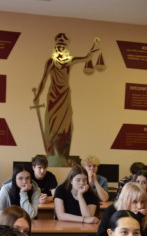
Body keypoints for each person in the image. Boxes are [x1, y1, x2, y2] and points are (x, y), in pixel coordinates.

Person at [32, 33, 100, 165]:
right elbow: (43, 80)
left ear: (66, 49)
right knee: (52, 124)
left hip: (64, 96)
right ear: (56, 48)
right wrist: (37, 96)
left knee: (66, 125)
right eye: (59, 46)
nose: (61, 48)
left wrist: (92, 50)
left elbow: (86, 58)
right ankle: (52, 153)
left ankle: (63, 155)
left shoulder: (69, 61)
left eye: (63, 46)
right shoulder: (51, 62)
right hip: (53, 96)